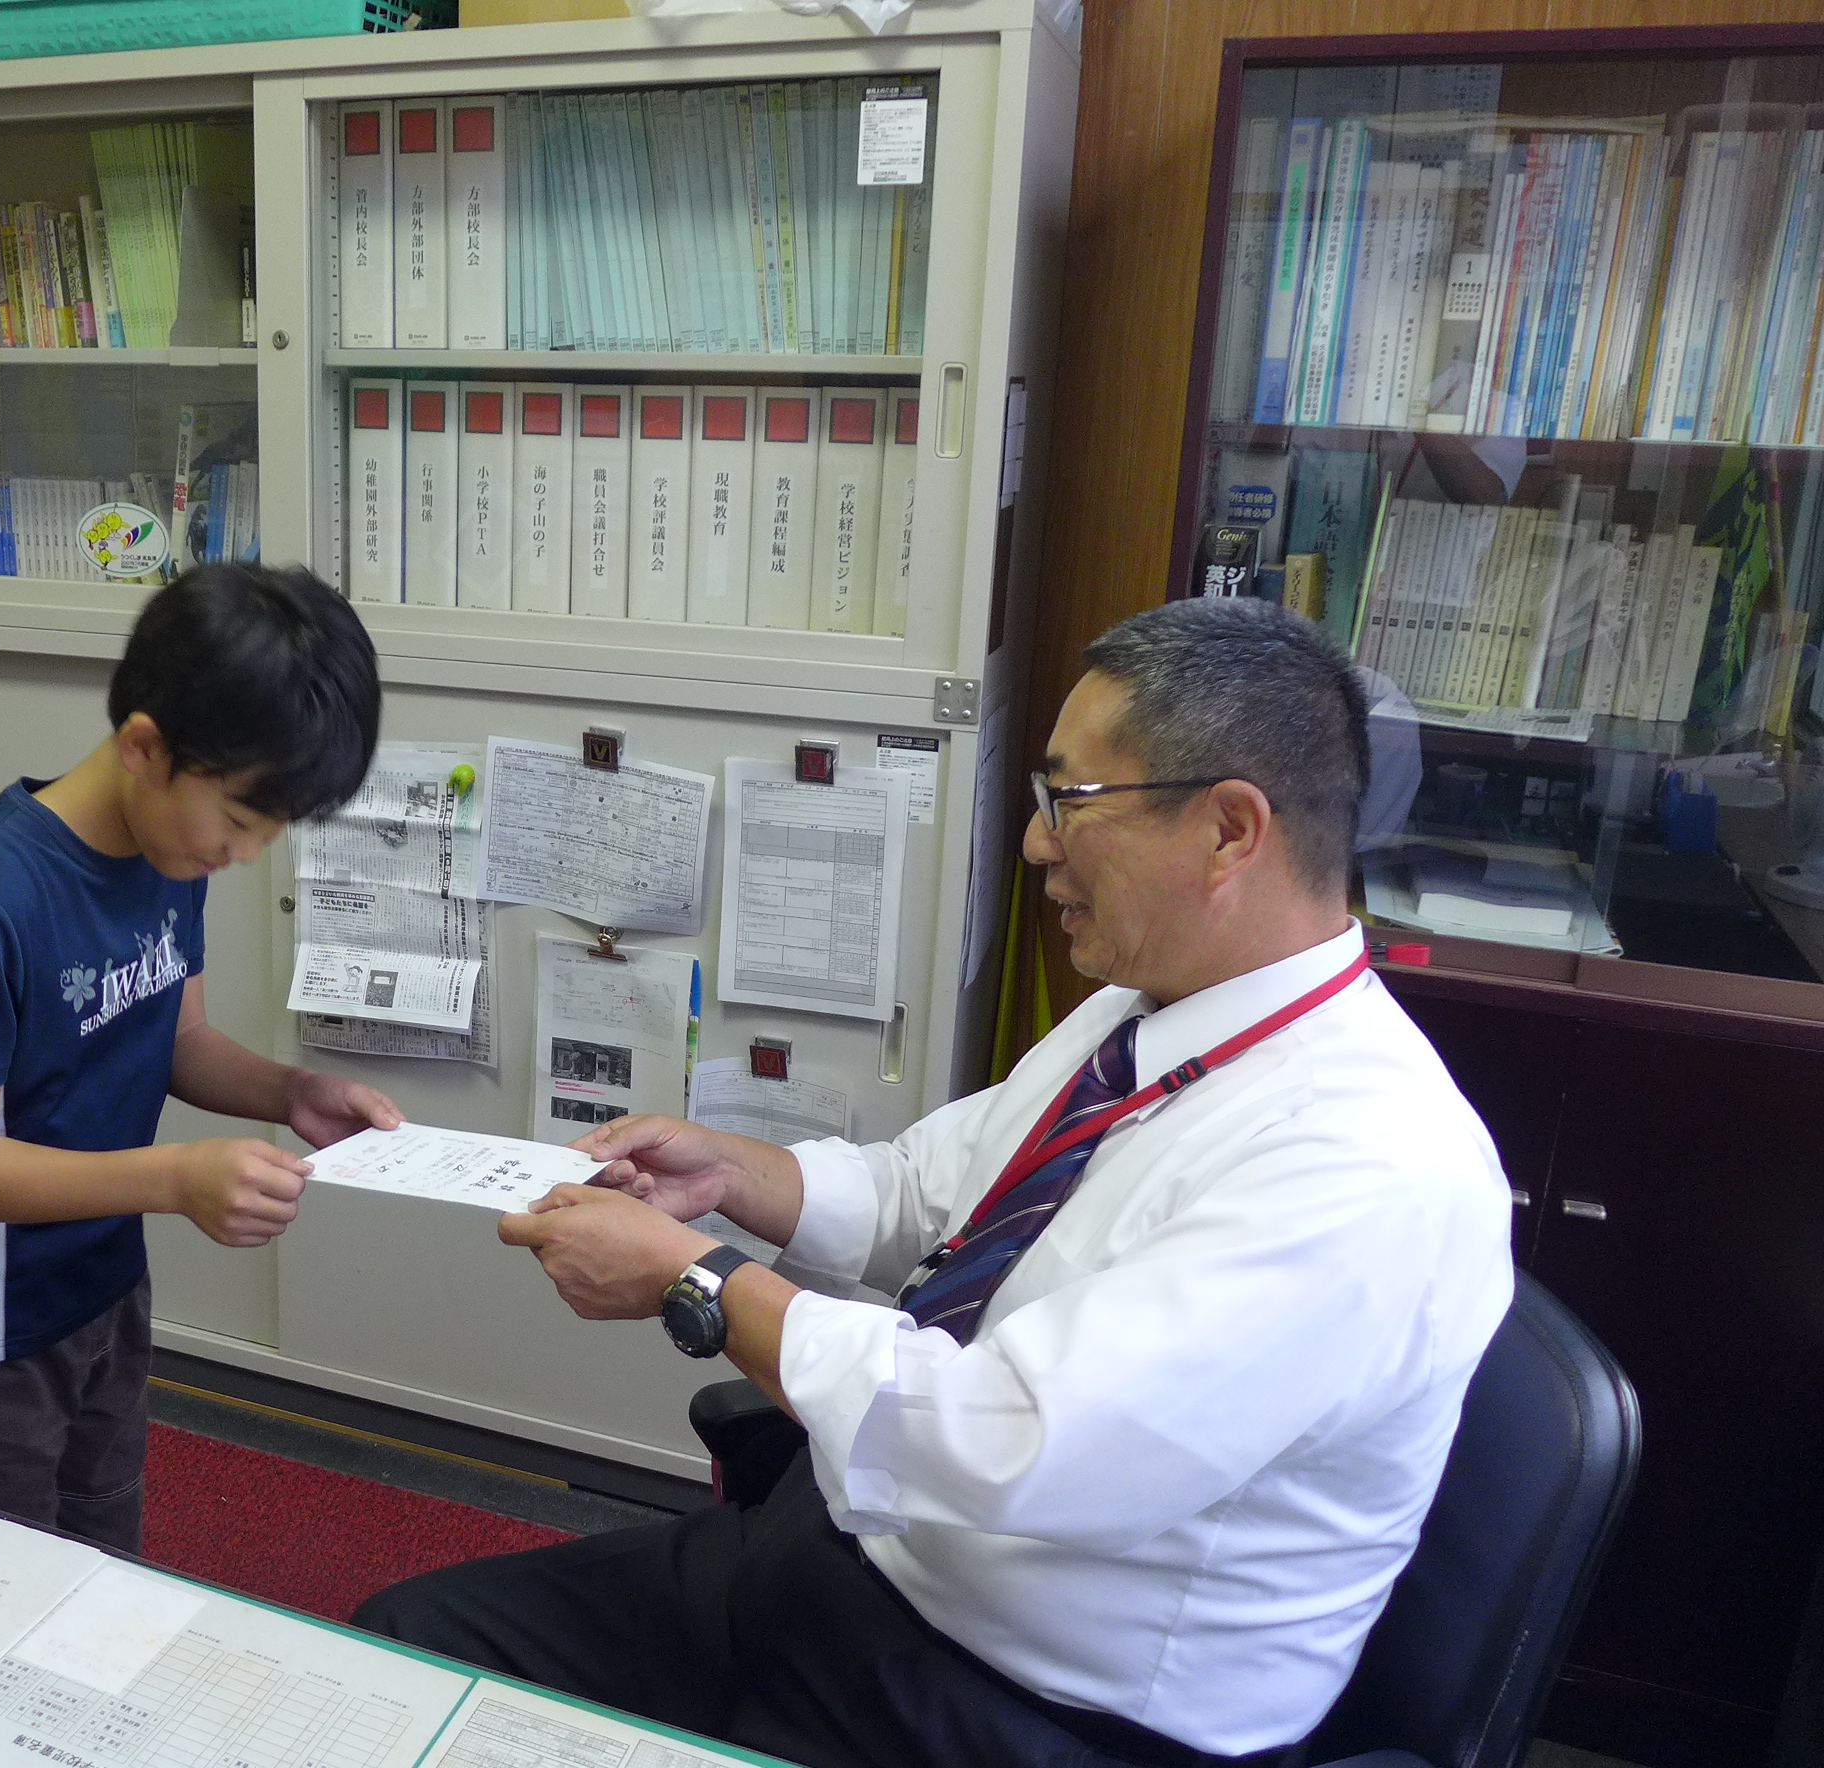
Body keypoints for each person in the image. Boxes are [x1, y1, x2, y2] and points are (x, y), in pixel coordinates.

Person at [356, 598, 1515, 1768]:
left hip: (1020, 1712)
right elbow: (930, 1193)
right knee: (397, 1662)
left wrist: (695, 1282)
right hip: (851, 1562)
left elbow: (1007, 1443)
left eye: (1071, 800)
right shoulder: (1146, 1014)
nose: (1037, 845)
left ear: (1227, 830)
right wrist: (729, 1175)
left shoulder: (1365, 1162)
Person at [0, 562, 403, 1552]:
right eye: (238, 822)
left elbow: (179, 1039)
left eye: (268, 833)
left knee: (102, 1555)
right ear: (145, 747)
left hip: (104, 1282)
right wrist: (176, 1178)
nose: (243, 856)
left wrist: (293, 1091)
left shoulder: (170, 854)